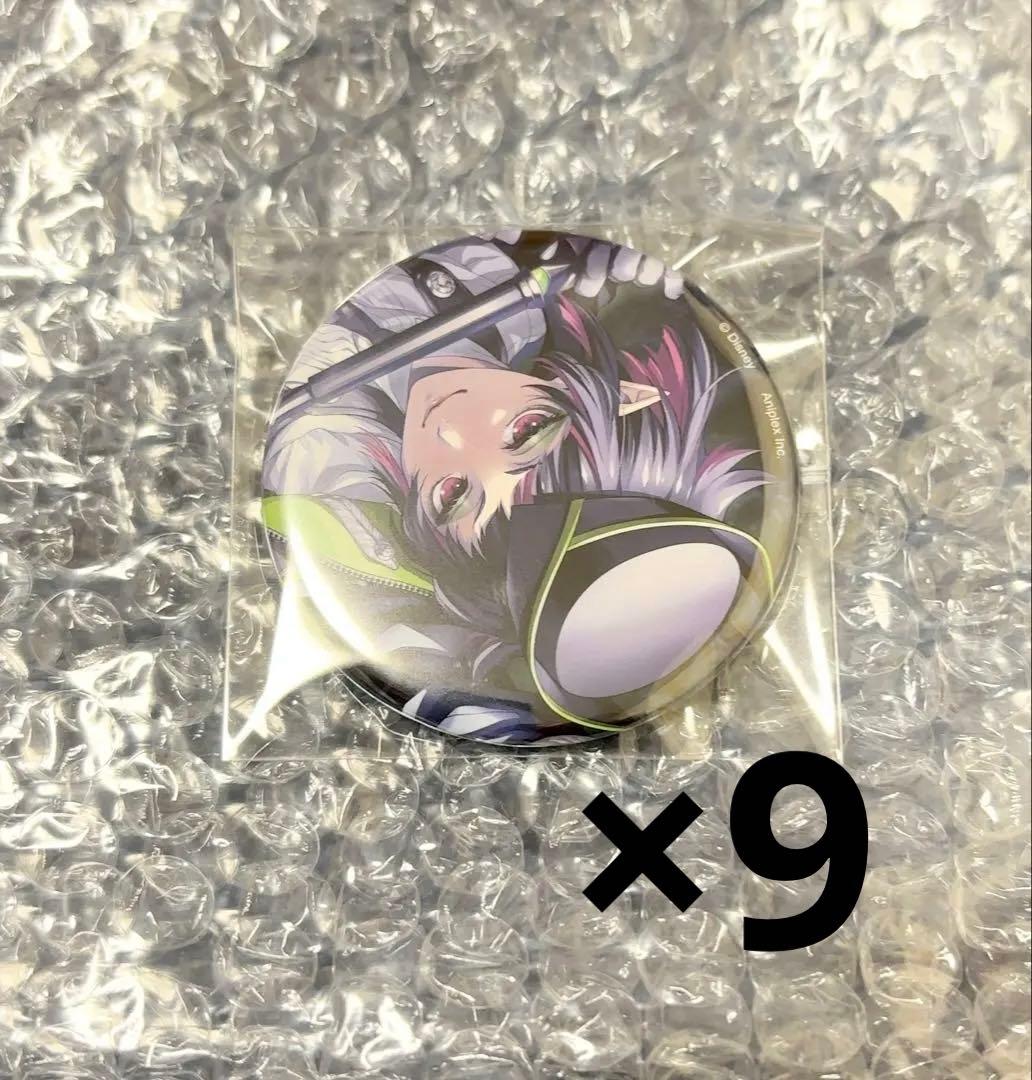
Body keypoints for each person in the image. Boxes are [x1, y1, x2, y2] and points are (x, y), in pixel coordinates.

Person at [262, 232, 770, 744]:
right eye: (525, 431)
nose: (450, 435)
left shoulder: (322, 445)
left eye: (452, 493)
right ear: (620, 395)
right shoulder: (524, 279)